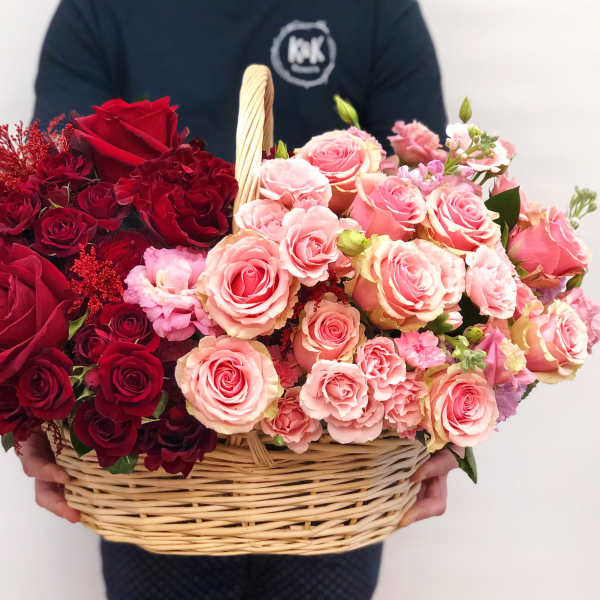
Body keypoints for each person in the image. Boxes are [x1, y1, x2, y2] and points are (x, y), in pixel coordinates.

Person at [22, 1, 457, 598]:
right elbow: (49, 207)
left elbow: (428, 199)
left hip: (330, 464)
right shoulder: (100, 10)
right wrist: (36, 410)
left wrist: (442, 414)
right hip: (155, 461)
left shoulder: (374, 9)